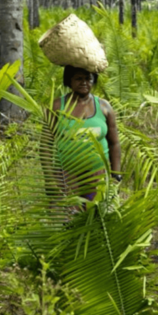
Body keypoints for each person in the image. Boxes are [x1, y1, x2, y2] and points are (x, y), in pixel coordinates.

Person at [49, 65, 121, 210]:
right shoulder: (57, 106)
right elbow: (46, 144)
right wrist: (50, 179)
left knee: (96, 214)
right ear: (69, 81)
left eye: (88, 79)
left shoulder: (104, 107)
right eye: (78, 79)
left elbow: (114, 144)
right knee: (69, 216)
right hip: (67, 174)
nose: (84, 83)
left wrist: (116, 175)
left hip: (97, 173)